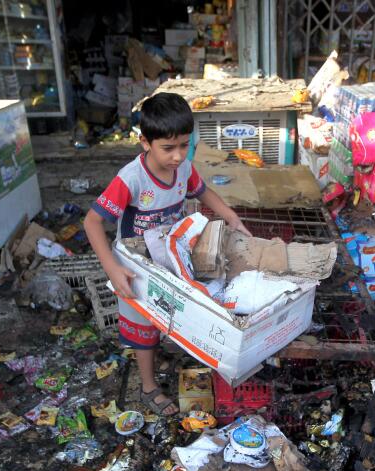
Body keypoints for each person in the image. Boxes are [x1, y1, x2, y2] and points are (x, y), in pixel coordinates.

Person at [84, 92, 251, 416]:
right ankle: (148, 386)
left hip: (170, 256)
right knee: (143, 328)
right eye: (168, 148)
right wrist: (113, 270)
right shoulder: (131, 179)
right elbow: (92, 222)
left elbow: (203, 191)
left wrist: (230, 216)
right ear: (145, 142)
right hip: (135, 267)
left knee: (174, 313)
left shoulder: (184, 168)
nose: (177, 156)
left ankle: (167, 350)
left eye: (184, 145)